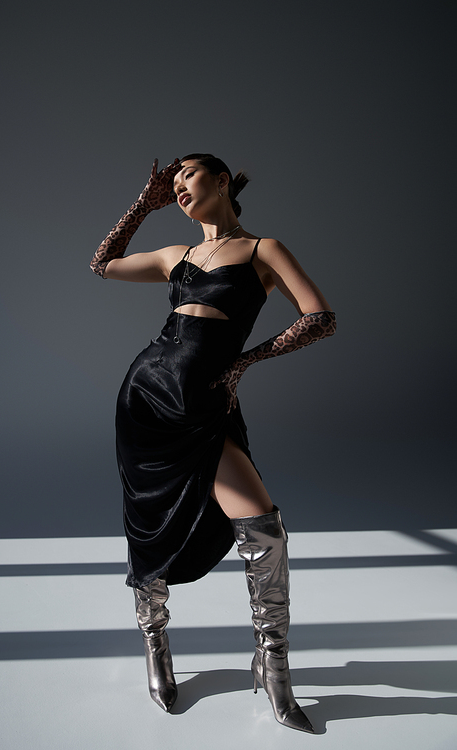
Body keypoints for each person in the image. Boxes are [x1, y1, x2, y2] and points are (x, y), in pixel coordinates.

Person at [90, 154, 336, 733]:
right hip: (147, 394)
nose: (178, 188)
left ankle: (273, 665)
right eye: (171, 183)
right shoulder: (177, 255)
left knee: (263, 528)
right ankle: (156, 642)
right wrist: (141, 206)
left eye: (188, 178)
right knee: (146, 518)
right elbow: (102, 264)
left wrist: (246, 363)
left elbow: (321, 317)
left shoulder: (262, 251)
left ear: (222, 181)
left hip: (205, 400)